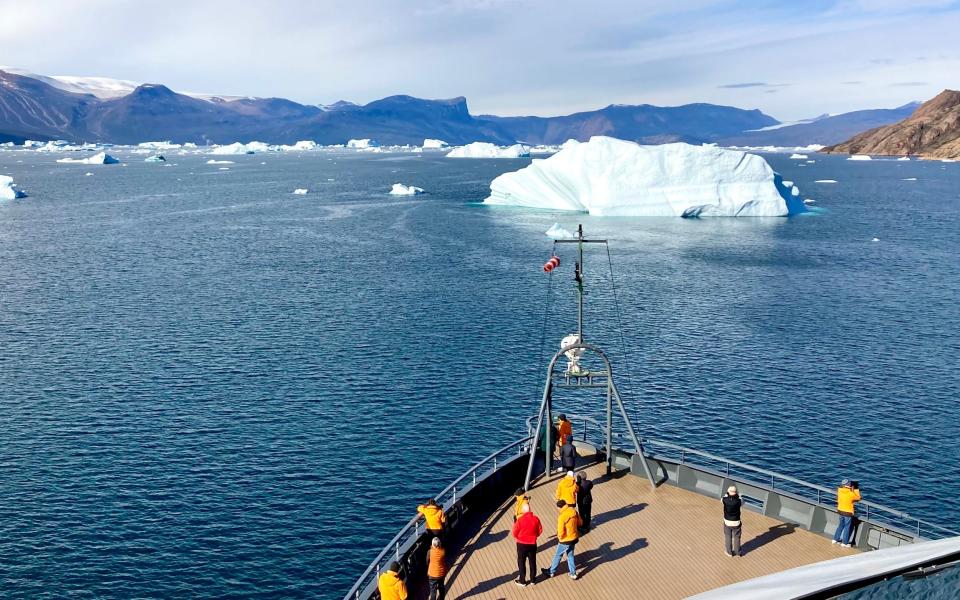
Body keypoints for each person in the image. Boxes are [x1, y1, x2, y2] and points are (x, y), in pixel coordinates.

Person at [543, 499, 582, 580]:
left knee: (558, 555)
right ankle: (573, 573)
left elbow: (560, 531)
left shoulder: (562, 516)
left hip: (565, 540)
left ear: (560, 507)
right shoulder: (574, 511)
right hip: (574, 537)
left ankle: (551, 572)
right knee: (570, 555)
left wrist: (560, 538)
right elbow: (580, 523)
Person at [511, 503, 543, 587]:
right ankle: (533, 579)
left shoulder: (520, 520)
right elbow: (540, 530)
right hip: (532, 544)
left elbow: (514, 533)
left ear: (523, 511)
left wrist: (519, 538)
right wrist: (534, 537)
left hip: (521, 544)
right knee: (532, 561)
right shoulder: (536, 519)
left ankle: (522, 581)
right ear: (530, 510)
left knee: (521, 562)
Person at [832, 479, 862, 548]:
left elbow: (842, 489)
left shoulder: (839, 490)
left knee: (840, 525)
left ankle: (835, 539)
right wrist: (856, 489)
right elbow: (858, 498)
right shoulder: (851, 494)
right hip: (847, 512)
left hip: (840, 510)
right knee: (847, 527)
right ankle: (844, 542)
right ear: (849, 485)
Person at [722, 485, 742, 557]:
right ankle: (737, 553)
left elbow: (722, 499)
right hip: (736, 521)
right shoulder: (739, 501)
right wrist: (738, 496)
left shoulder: (725, 499)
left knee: (728, 536)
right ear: (736, 492)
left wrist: (726, 494)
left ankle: (729, 552)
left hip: (727, 521)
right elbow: (742, 502)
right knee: (737, 537)